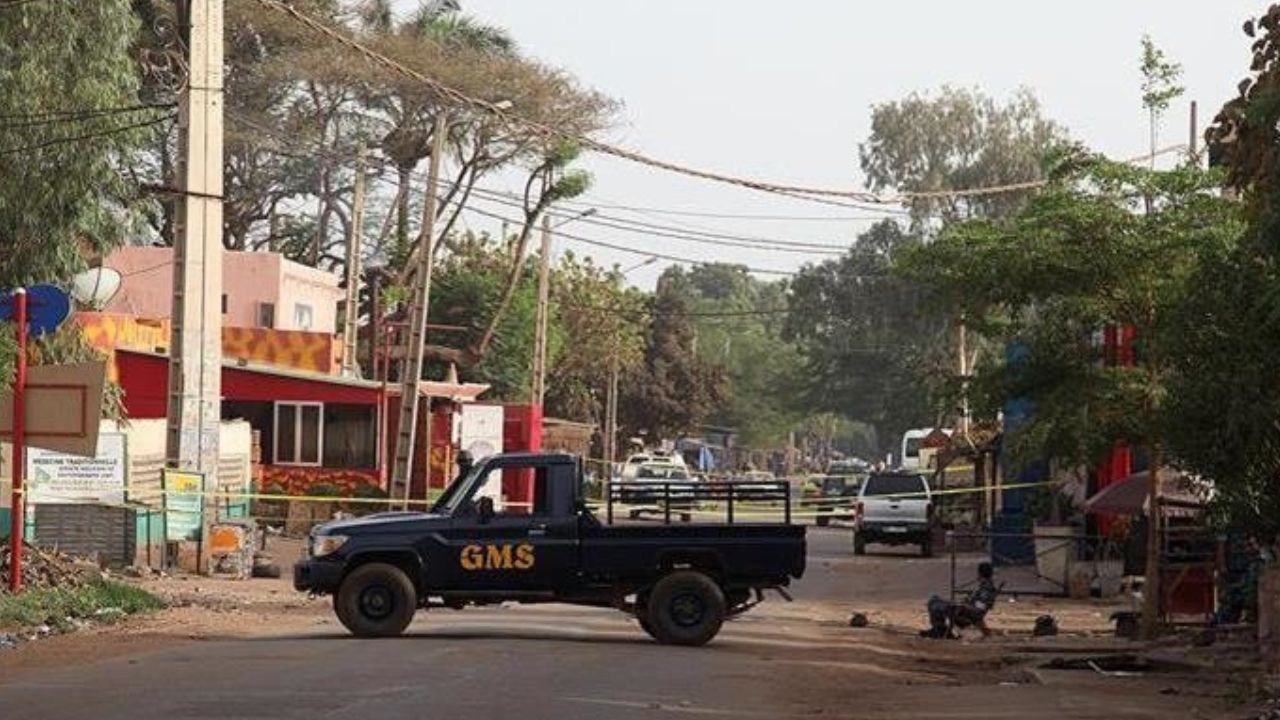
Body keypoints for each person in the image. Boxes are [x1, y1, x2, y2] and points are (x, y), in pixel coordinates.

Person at [922, 562, 998, 639]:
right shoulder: (984, 586)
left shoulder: (986, 589)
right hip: (964, 609)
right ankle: (939, 629)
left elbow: (979, 608)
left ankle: (939, 631)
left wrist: (962, 605)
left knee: (934, 604)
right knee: (935, 598)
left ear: (980, 573)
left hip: (964, 612)